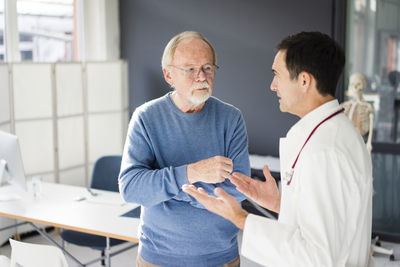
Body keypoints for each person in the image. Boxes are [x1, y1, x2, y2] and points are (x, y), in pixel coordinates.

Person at [183, 31, 373, 267]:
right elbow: (335, 222)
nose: (273, 86)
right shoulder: (332, 132)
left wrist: (240, 218)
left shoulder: (325, 150)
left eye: (277, 75)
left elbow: (319, 258)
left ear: (304, 80)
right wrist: (280, 204)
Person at [119, 31, 250, 267]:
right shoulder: (145, 118)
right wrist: (192, 173)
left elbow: (238, 189)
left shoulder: (231, 118)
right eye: (190, 69)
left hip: (221, 258)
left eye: (207, 68)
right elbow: (131, 188)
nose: (201, 76)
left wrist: (171, 191)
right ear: (169, 74)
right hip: (157, 259)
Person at [341, 72, 374, 153]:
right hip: (344, 143)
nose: (355, 87)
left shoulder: (367, 107)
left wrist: (369, 143)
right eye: (352, 84)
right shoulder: (344, 106)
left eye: (358, 84)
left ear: (364, 85)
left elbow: (371, 121)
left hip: (358, 143)